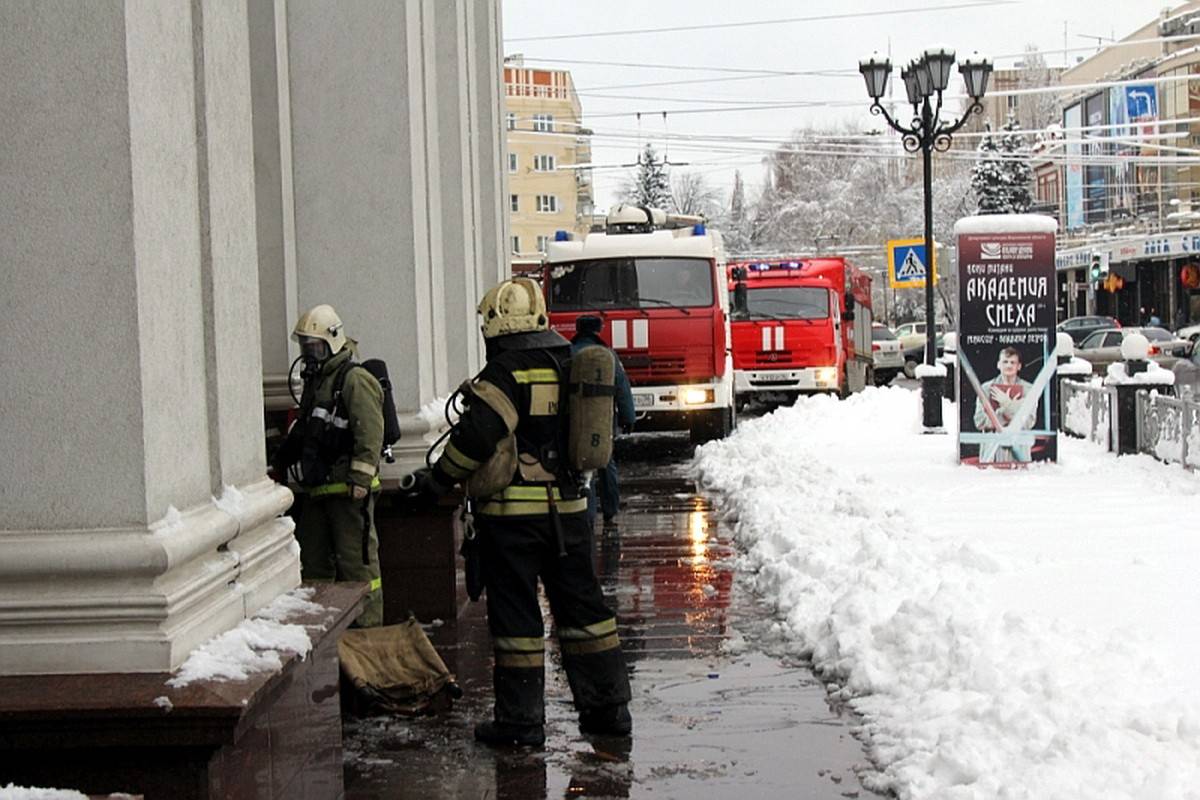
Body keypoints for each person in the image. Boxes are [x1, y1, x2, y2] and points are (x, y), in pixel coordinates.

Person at [415, 278, 632, 747]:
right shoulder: (570, 359)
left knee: (517, 622)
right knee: (586, 615)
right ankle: (609, 712)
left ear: (494, 324)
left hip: (513, 521)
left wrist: (438, 481)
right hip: (572, 514)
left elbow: (475, 439)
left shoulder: (505, 372)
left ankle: (519, 724)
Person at [271, 305, 385, 627]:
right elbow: (307, 430)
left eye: (315, 346)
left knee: (358, 566)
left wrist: (361, 479)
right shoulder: (316, 383)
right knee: (314, 563)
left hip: (350, 494)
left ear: (333, 341)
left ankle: (369, 636)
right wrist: (281, 462)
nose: (309, 353)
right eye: (305, 347)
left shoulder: (354, 379)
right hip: (319, 491)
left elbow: (370, 431)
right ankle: (327, 637)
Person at [570, 316, 635, 529]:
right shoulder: (608, 357)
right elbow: (622, 388)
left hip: (576, 419)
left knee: (579, 466)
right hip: (603, 420)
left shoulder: (568, 353)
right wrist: (628, 418)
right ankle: (610, 509)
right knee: (606, 462)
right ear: (598, 331)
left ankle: (583, 510)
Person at [972, 346, 1035, 463]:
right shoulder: (985, 388)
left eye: (1013, 362)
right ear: (998, 365)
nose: (1009, 366)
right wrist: (1004, 412)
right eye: (1005, 362)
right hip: (991, 454)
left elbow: (1028, 421)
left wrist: (1006, 403)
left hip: (1019, 455)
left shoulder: (1029, 389)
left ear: (1019, 366)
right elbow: (979, 421)